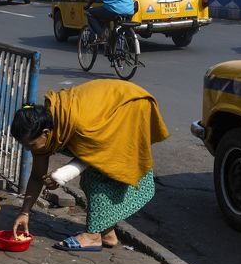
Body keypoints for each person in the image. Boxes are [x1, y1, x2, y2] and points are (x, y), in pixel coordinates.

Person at [10, 80, 170, 251]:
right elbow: (36, 176)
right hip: (106, 111)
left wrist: (64, 174)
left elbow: (97, 155)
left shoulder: (77, 125)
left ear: (46, 133)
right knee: (94, 172)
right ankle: (107, 233)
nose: (29, 149)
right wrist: (24, 212)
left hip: (130, 106)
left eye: (31, 145)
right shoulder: (40, 132)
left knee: (96, 177)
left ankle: (93, 236)